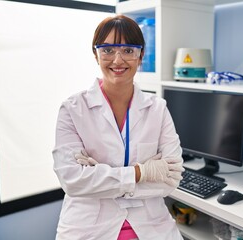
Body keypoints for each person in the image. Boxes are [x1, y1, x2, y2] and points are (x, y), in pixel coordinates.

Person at [52, 15, 185, 240]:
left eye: (128, 50)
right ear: (96, 54)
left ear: (141, 55)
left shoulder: (157, 108)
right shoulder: (73, 109)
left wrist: (98, 177)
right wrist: (141, 172)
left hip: (151, 226)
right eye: (107, 50)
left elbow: (171, 179)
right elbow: (72, 180)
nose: (117, 60)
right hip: (88, 228)